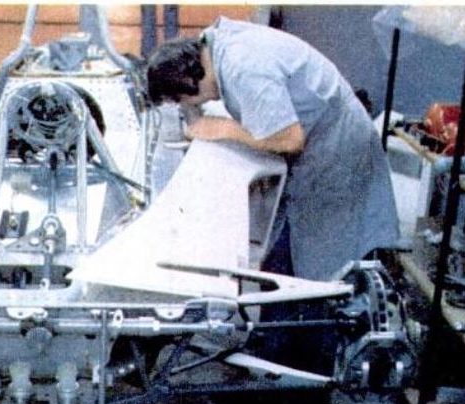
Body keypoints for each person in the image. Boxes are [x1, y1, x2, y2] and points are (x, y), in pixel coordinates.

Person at [146, 17, 400, 282]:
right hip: (319, 140)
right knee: (288, 254)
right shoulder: (213, 46)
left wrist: (224, 128)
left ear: (189, 80)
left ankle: (344, 302)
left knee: (328, 266)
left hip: (336, 149)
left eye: (182, 99)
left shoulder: (242, 67)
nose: (188, 105)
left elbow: (290, 140)